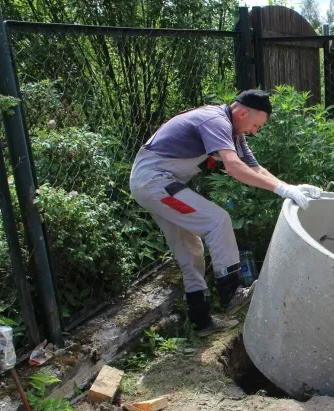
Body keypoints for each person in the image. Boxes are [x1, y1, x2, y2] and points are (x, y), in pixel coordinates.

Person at [130, 90, 321, 336]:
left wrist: (289, 188)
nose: (254, 131)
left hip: (160, 182)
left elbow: (254, 167)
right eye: (255, 125)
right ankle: (232, 294)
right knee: (218, 221)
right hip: (154, 183)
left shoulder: (233, 130)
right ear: (242, 113)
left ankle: (201, 322)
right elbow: (233, 167)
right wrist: (281, 189)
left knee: (191, 250)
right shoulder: (216, 121)